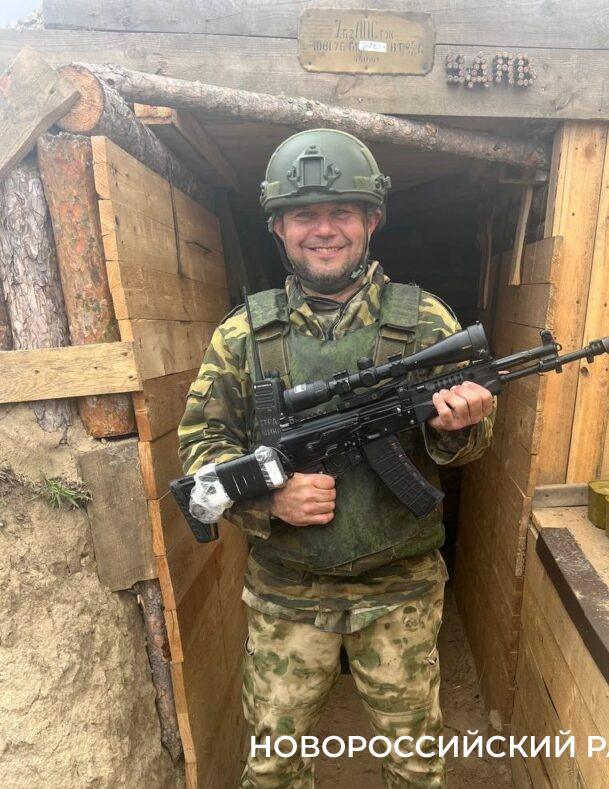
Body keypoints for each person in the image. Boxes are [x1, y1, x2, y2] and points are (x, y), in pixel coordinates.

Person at [178, 129, 495, 788]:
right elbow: (201, 446)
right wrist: (270, 500)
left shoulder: (428, 324)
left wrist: (459, 424)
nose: (324, 230)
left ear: (371, 220)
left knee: (416, 767)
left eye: (341, 212)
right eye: (305, 215)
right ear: (278, 226)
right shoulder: (243, 334)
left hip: (400, 592)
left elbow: (467, 450)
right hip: (287, 592)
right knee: (272, 768)